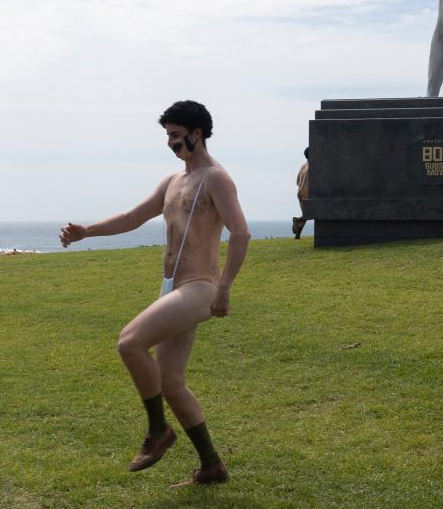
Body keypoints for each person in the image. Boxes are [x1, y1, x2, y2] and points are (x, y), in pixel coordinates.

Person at [59, 100, 250, 486]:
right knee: (170, 382)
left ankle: (158, 430)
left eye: (177, 136)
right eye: (168, 136)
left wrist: (224, 289)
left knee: (130, 342)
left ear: (198, 134)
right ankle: (212, 466)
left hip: (200, 286)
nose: (171, 144)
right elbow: (133, 218)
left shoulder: (216, 178)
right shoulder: (173, 181)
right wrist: (86, 232)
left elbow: (241, 233)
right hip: (172, 288)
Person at [292, 147, 310, 239]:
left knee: (306, 214)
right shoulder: (313, 165)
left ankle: (297, 235)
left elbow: (297, 181)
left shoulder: (303, 166)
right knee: (310, 214)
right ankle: (297, 220)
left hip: (299, 193)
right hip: (307, 194)